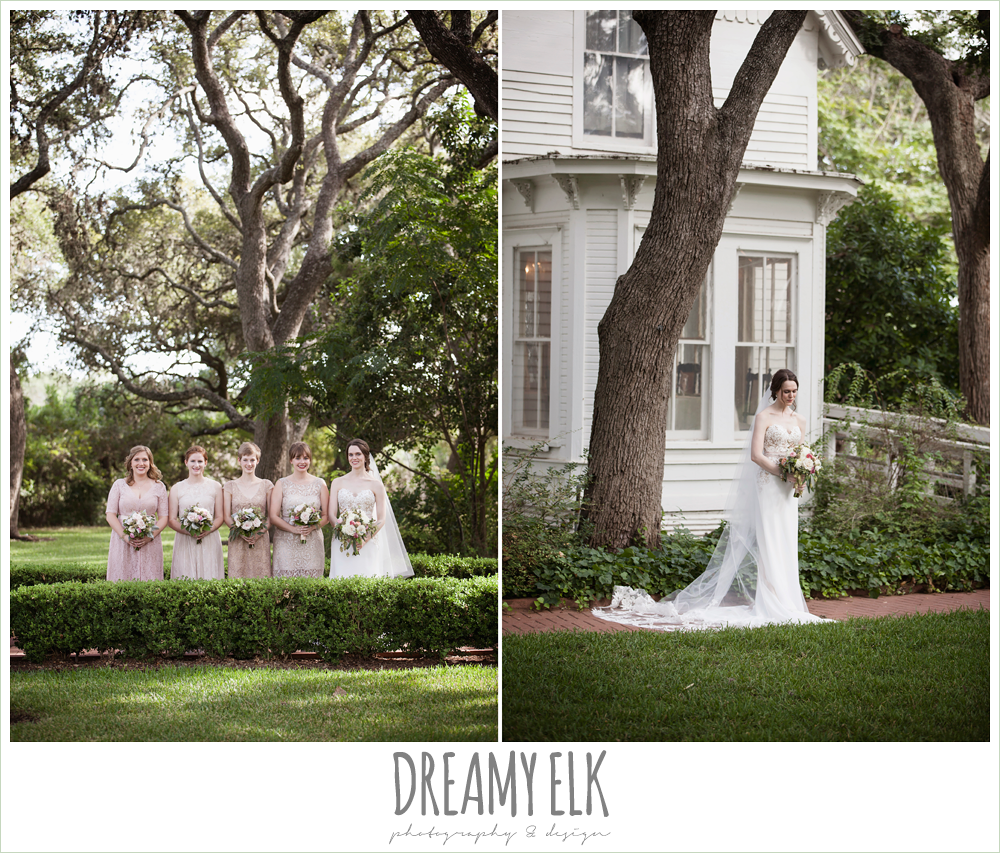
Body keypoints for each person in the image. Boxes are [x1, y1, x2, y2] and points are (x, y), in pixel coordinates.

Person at [592, 368, 832, 630]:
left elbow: (802, 453)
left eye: (794, 391)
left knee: (787, 541)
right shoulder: (764, 417)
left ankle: (789, 602)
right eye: (786, 391)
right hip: (769, 486)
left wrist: (799, 473)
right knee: (770, 542)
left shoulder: (800, 420)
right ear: (775, 390)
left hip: (788, 492)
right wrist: (782, 473)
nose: (791, 396)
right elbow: (756, 455)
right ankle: (771, 602)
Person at [328, 438, 414, 579]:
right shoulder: (337, 482)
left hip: (368, 540)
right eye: (351, 455)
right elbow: (332, 514)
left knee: (367, 580)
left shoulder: (376, 485)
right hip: (342, 541)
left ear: (365, 456)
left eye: (358, 454)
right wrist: (342, 531)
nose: (354, 458)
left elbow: (381, 519)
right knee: (341, 580)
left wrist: (365, 539)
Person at [105, 445, 169, 582]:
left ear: (150, 463)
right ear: (130, 463)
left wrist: (149, 537)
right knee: (121, 578)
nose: (141, 463)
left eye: (145, 460)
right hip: (122, 541)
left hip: (150, 541)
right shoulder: (119, 485)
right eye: (137, 459)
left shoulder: (159, 486)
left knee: (150, 579)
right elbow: (110, 514)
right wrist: (125, 536)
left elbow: (164, 517)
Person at [270, 442, 329, 578]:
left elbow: (326, 515)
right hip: (286, 541)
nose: (302, 462)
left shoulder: (320, 484)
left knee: (310, 587)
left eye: (306, 458)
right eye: (298, 458)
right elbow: (273, 516)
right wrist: (294, 530)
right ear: (291, 460)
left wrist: (313, 527)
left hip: (312, 541)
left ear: (310, 460)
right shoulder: (281, 483)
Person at [168, 445, 225, 580]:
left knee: (210, 578)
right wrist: (188, 531)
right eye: (193, 461)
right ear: (186, 462)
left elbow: (220, 516)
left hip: (209, 538)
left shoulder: (215, 486)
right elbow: (171, 519)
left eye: (200, 461)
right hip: (185, 539)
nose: (196, 465)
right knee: (185, 577)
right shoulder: (177, 488)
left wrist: (208, 529)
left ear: (205, 463)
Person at [222, 441, 273, 579]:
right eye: (245, 460)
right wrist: (239, 532)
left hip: (260, 540)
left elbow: (272, 516)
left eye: (252, 460)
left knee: (261, 579)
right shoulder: (229, 486)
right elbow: (226, 516)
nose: (249, 464)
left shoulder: (266, 485)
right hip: (238, 539)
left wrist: (259, 533)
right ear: (239, 460)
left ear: (258, 461)